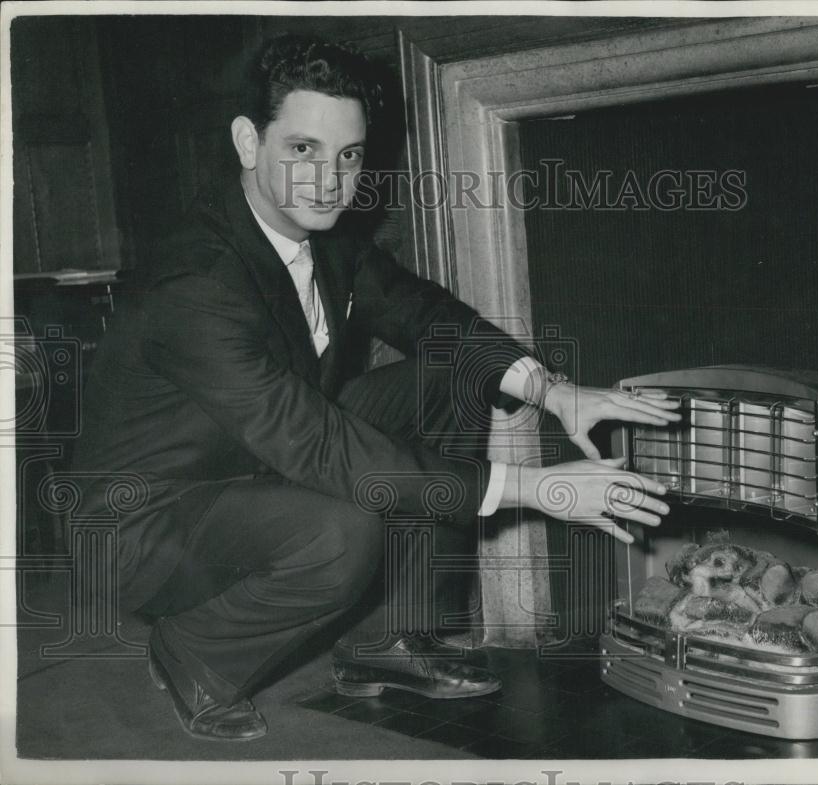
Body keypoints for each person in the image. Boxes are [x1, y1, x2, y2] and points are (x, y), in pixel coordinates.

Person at [72, 33, 679, 741]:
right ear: (248, 142)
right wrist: (538, 487)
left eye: (349, 156)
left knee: (456, 375)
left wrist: (552, 391)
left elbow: (424, 314)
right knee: (344, 531)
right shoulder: (197, 282)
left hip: (255, 458)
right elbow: (318, 444)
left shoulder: (322, 232)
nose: (329, 181)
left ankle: (386, 639)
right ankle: (194, 650)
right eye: (304, 149)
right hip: (147, 523)